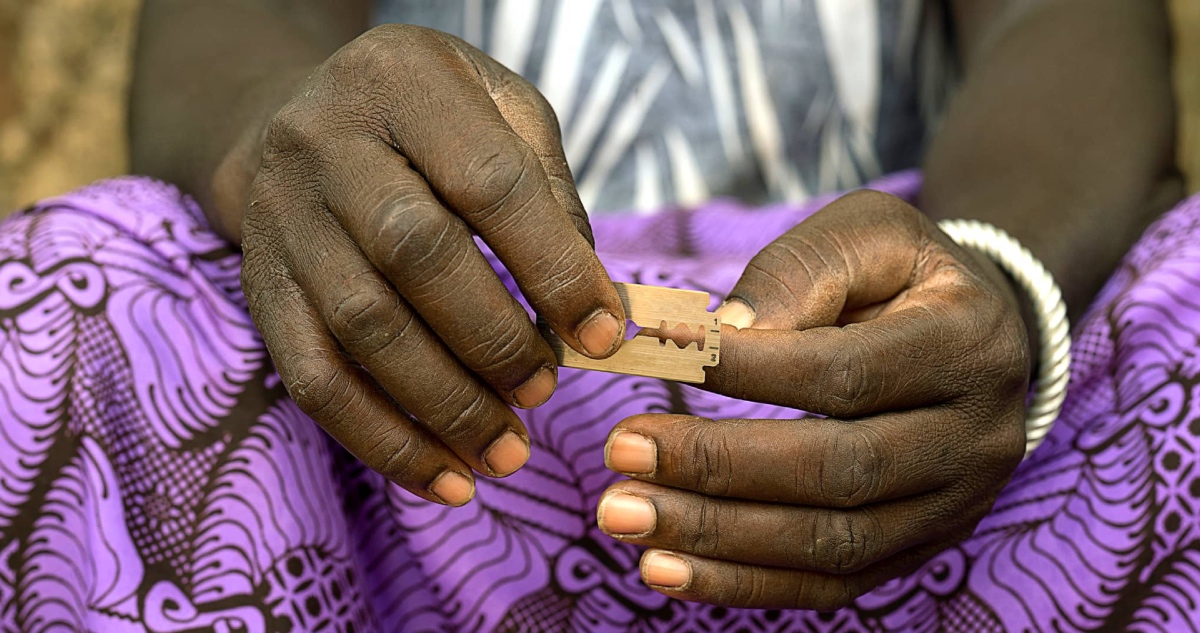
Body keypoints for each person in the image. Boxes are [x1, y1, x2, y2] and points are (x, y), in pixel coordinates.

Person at [1, 0, 1197, 630]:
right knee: (60, 299)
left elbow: (1066, 18)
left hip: (915, 383)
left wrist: (1002, 283)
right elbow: (232, 22)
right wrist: (286, 146)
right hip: (417, 380)